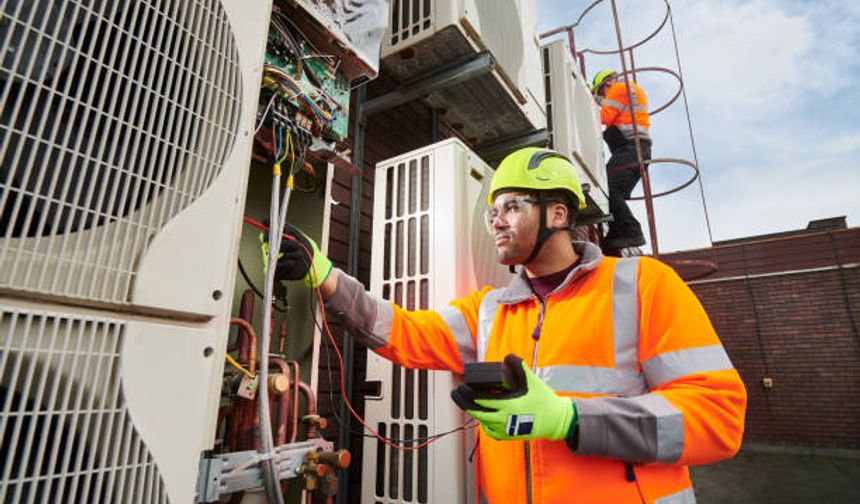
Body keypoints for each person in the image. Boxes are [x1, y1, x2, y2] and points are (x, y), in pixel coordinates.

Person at [270, 147, 747, 503]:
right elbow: (407, 331)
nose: (496, 222)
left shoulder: (642, 284)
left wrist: (571, 419)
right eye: (492, 211)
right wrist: (326, 277)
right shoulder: (490, 308)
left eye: (512, 206)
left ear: (558, 213)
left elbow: (717, 417)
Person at [591, 69, 651, 254]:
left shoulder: (618, 88)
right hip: (636, 149)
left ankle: (632, 230)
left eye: (602, 92)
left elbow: (603, 117)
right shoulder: (626, 90)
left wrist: (588, 101)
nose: (604, 97)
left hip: (631, 148)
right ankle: (615, 236)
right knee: (614, 194)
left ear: (607, 82)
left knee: (607, 187)